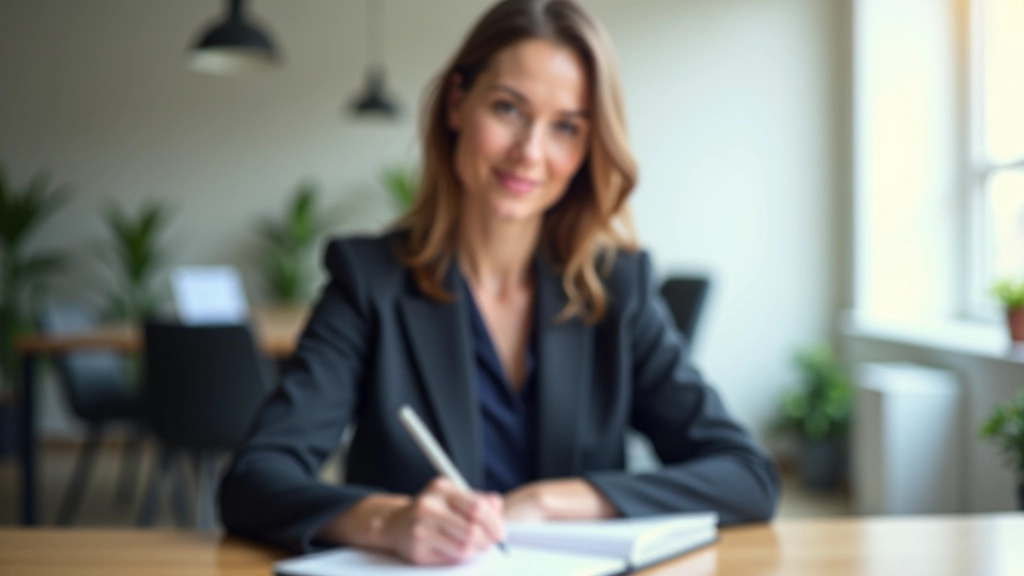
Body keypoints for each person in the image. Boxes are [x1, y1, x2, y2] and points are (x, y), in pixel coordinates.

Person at [220, 0, 779, 566]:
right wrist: (387, 521)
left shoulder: (616, 289)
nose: (530, 152)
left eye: (566, 127)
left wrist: (554, 502)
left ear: (588, 148)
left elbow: (747, 474)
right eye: (509, 109)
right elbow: (254, 479)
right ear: (459, 103)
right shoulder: (370, 282)